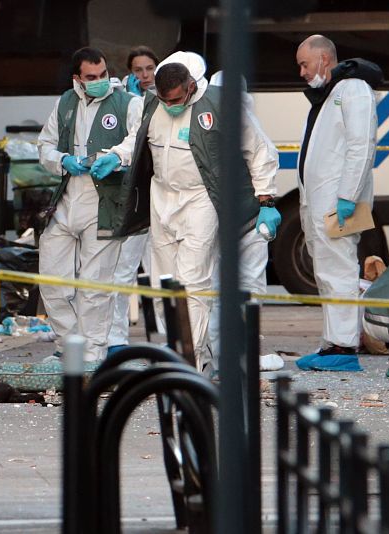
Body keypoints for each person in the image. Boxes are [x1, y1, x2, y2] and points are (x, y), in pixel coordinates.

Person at [115, 51, 280, 372]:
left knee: (194, 284)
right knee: (164, 284)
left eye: (176, 100)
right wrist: (115, 156)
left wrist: (266, 200)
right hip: (162, 198)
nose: (170, 106)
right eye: (164, 100)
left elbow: (259, 151)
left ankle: (193, 361)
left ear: (190, 86)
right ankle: (176, 349)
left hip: (200, 199)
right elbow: (134, 141)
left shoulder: (220, 104)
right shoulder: (153, 105)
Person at [37, 46, 141, 362]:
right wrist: (63, 160)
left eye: (103, 74)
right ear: (77, 79)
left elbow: (139, 138)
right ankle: (69, 347)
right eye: (91, 77)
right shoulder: (65, 104)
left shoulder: (127, 103)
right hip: (67, 200)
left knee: (95, 287)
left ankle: (93, 356)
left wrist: (116, 156)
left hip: (104, 203)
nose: (100, 81)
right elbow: (44, 146)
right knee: (52, 281)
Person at [293, 35, 381, 370]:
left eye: (304, 64)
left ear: (324, 59)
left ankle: (343, 348)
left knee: (340, 270)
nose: (302, 72)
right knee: (327, 271)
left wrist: (347, 196)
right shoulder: (330, 93)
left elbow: (362, 146)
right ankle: (332, 343)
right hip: (323, 201)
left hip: (338, 202)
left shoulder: (354, 89)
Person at [206, 70, 280, 374]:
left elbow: (264, 158)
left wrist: (266, 204)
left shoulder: (239, 124)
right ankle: (226, 355)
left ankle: (235, 353)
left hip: (243, 220)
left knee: (237, 289)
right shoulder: (215, 123)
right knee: (222, 290)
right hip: (226, 220)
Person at [108, 46, 159, 354]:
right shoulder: (123, 103)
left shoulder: (169, 99)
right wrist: (132, 102)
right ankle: (116, 339)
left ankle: (171, 338)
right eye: (138, 70)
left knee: (163, 272)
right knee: (123, 268)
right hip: (135, 199)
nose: (144, 75)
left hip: (164, 199)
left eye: (149, 68)